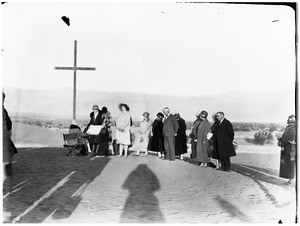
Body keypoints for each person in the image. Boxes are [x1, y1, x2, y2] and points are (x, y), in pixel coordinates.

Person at [278, 115, 296, 185]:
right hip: (294, 149)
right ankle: (292, 180)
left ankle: (291, 181)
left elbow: (285, 140)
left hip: (289, 149)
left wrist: (279, 139)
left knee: (290, 164)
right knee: (293, 164)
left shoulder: (290, 128)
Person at [2, 92, 17, 179]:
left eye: (3, 100)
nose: (3, 102)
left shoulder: (4, 111)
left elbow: (9, 123)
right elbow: (8, 123)